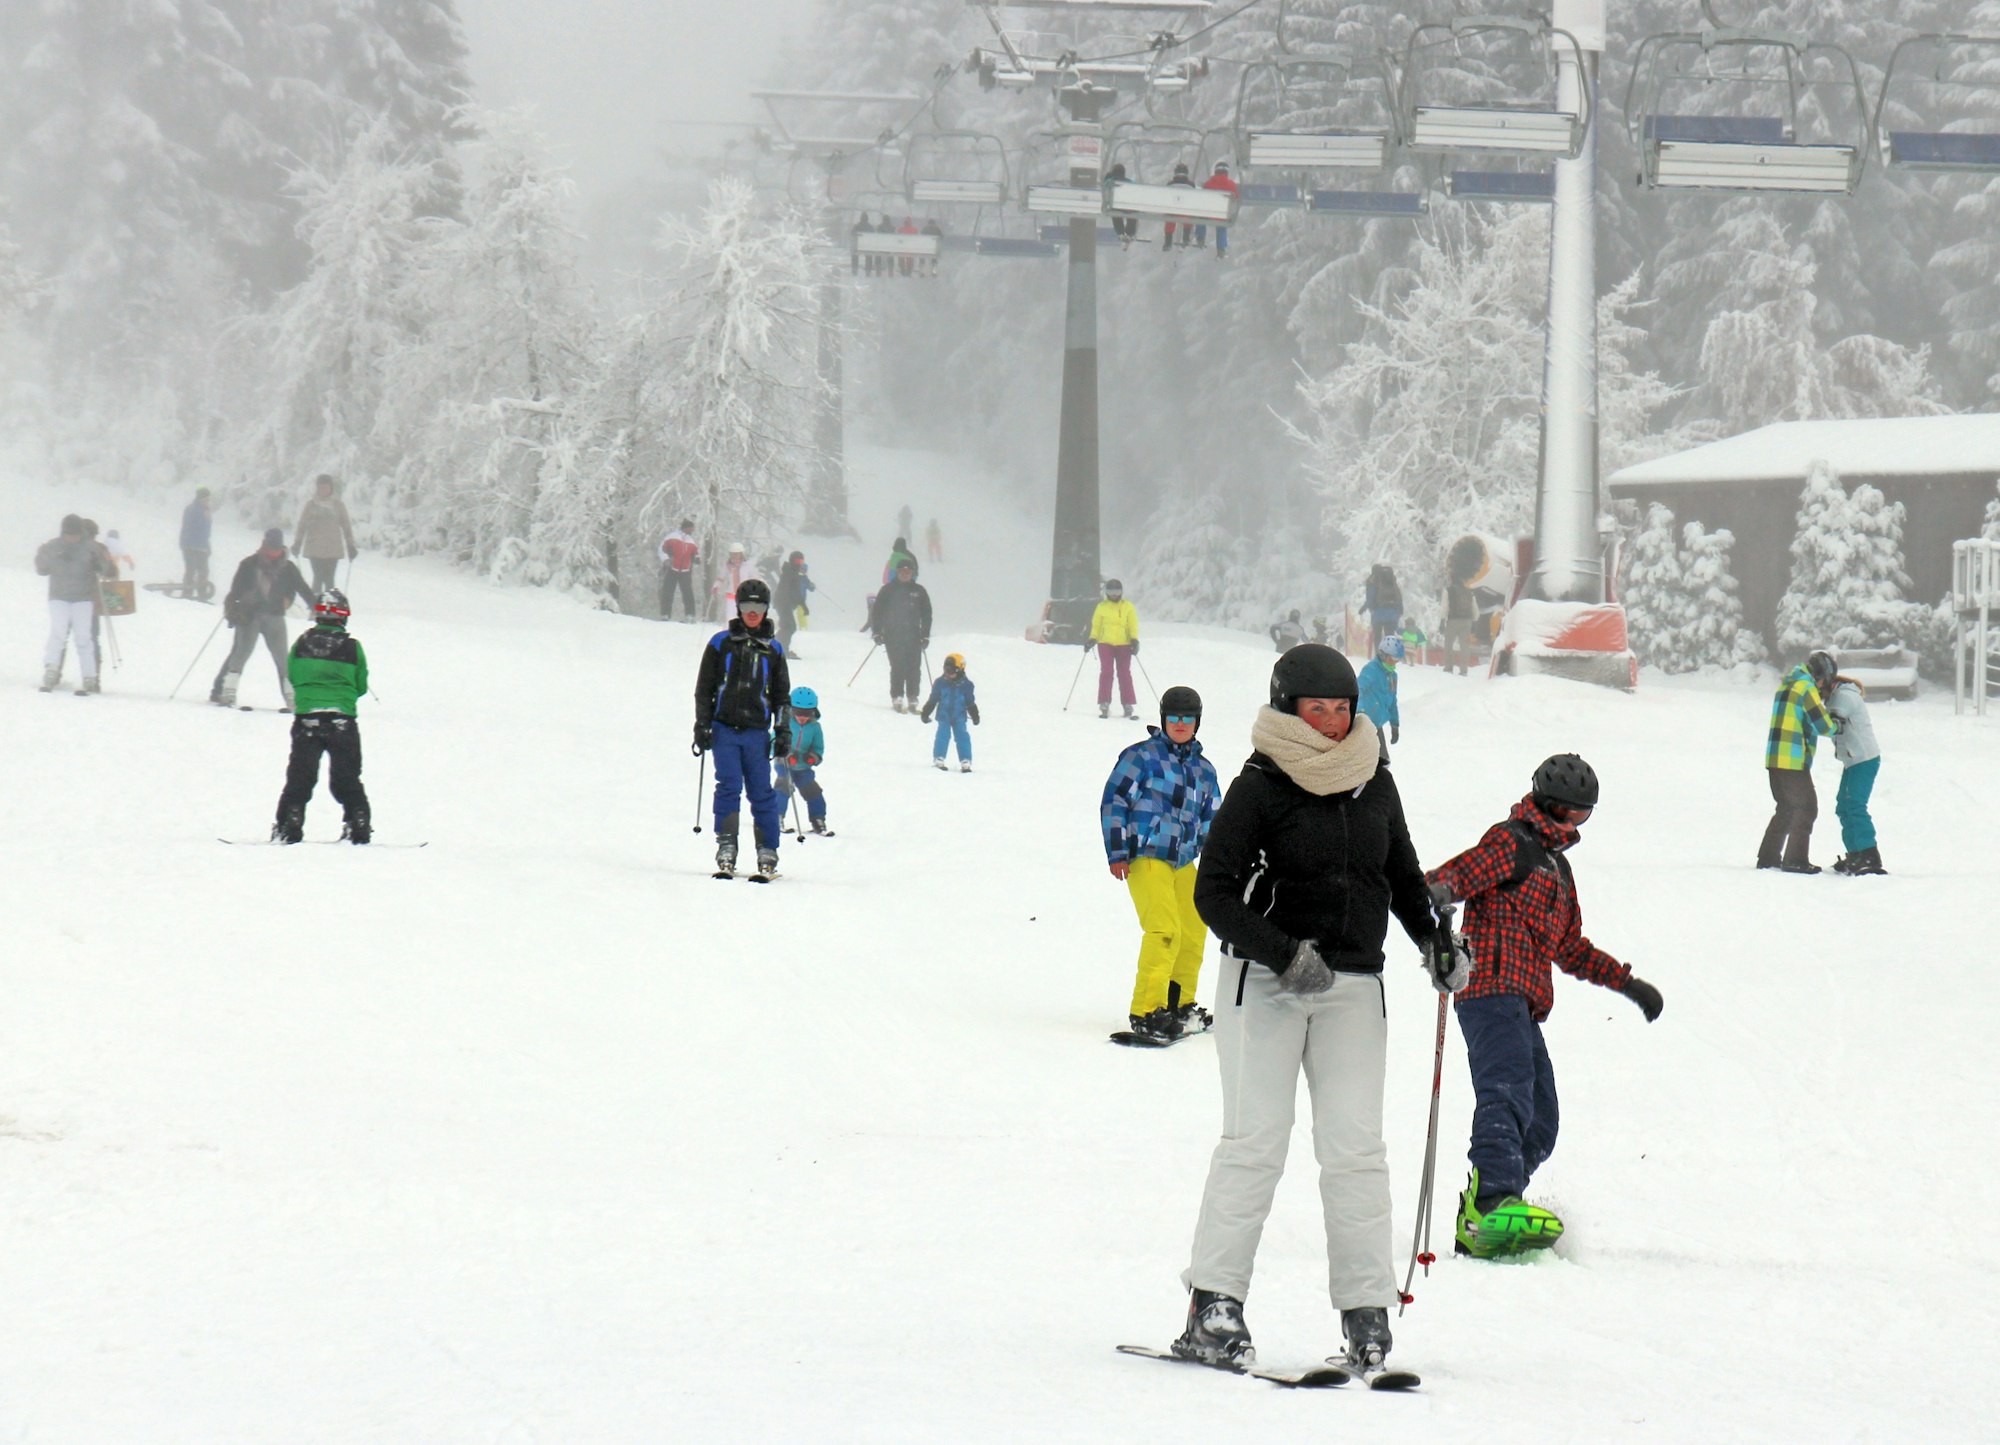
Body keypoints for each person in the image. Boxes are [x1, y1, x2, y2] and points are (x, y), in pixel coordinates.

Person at [1176, 644, 1439, 1372]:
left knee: (1356, 1150)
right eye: (1317, 708)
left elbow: (1403, 875)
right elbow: (1214, 893)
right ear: (1287, 707)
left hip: (1355, 984)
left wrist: (1435, 942)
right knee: (1255, 1141)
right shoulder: (1260, 783)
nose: (1332, 722)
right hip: (1266, 982)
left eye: (1343, 707)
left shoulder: (1374, 779)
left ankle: (1366, 1312)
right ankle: (1213, 1305)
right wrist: (1283, 950)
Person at [1423, 754, 1663, 1259]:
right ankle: (1492, 1203)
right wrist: (1441, 899)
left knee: (1542, 1120)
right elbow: (1454, 875)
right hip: (1488, 987)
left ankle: (1494, 1201)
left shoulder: (1558, 868)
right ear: (1540, 800)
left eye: (1581, 814)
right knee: (1505, 1091)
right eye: (1562, 809)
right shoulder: (1511, 842)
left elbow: (1568, 945)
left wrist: (1627, 983)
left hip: (1524, 1003)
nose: (1568, 821)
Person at [1100, 684, 1221, 1041]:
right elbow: (1114, 800)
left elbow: (1212, 817)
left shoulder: (1204, 769)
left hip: (1183, 859)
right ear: (1164, 719)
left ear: (1197, 723)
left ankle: (1179, 1004)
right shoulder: (1142, 757)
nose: (1180, 724)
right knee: (1164, 929)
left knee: (1194, 928)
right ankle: (1147, 1009)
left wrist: (1216, 863)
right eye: (1174, 718)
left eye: (1187, 719)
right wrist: (1118, 850)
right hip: (1148, 852)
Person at [693, 576, 791, 879]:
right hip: (724, 729)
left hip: (756, 733)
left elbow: (781, 695)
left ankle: (767, 849)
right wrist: (702, 723)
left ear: (765, 609)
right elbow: (704, 687)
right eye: (747, 605)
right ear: (738, 607)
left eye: (758, 606)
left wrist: (784, 729)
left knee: (761, 791)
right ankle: (726, 845)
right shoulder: (721, 643)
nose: (752, 612)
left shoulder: (773, 649)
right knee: (729, 786)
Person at [273, 588, 371, 844]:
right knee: (347, 777)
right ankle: (358, 820)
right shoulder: (352, 647)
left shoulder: (302, 644)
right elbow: (360, 685)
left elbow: (292, 675)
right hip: (342, 720)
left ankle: (289, 822)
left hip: (307, 718)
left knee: (300, 777)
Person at [212, 528, 313, 708]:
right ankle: (226, 691)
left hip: (275, 617)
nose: (273, 553)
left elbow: (303, 589)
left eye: (276, 549)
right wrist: (233, 610)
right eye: (270, 548)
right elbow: (235, 591)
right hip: (249, 617)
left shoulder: (288, 568)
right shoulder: (249, 565)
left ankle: (292, 697)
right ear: (264, 545)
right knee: (241, 653)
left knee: (283, 658)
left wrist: (319, 609)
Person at [1758, 649, 1836, 873]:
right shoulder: (1806, 687)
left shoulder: (1787, 684)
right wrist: (1838, 725)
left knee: (1786, 808)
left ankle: (1768, 857)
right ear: (1821, 675)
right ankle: (1796, 859)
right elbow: (1822, 725)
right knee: (1806, 807)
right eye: (1824, 682)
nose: (1822, 687)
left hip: (1774, 758)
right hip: (1792, 759)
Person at [34, 514, 115, 695]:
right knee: (58, 633)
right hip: (59, 597)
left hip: (83, 598)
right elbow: (41, 569)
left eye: (76, 534)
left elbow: (107, 570)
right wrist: (42, 556)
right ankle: (51, 669)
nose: (72, 538)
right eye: (68, 534)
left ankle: (89, 677)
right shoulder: (53, 546)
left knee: (84, 637)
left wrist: (101, 562)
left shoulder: (91, 548)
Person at [1825, 665, 1885, 876]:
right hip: (1853, 759)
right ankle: (1855, 853)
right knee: (1844, 805)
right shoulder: (1835, 695)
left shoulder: (1845, 695)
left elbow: (1834, 723)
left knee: (1855, 805)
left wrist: (1809, 721)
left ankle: (1869, 855)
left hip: (1864, 758)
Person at [868, 558, 933, 714]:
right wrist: (877, 632)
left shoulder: (919, 591)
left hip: (914, 635)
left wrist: (925, 635)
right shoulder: (887, 590)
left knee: (914, 667)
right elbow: (877, 612)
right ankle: (897, 696)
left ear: (913, 573)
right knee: (898, 666)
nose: (905, 574)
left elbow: (927, 614)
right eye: (902, 571)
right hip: (893, 635)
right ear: (897, 572)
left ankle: (912, 697)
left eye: (908, 571)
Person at [775, 686, 832, 836]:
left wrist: (812, 757)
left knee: (813, 792)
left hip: (804, 767)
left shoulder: (815, 727)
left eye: (807, 713)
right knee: (783, 786)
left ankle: (818, 820)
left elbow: (819, 748)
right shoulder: (784, 723)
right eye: (798, 712)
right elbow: (773, 741)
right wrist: (786, 754)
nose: (802, 717)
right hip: (784, 764)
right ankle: (776, 817)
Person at [293, 474, 357, 593]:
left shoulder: (338, 505)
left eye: (326, 487)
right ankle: (315, 606)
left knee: (329, 580)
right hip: (314, 549)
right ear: (317, 488)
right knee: (318, 578)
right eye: (321, 487)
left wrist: (350, 545)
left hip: (333, 550)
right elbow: (302, 525)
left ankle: (330, 608)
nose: (324, 490)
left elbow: (346, 526)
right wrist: (297, 543)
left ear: (331, 488)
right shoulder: (311, 505)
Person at [1088, 578, 1140, 720]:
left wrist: (1134, 639)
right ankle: (1104, 703)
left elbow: (1132, 625)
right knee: (1107, 671)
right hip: (1105, 643)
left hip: (1124, 644)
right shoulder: (1102, 607)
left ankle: (1128, 704)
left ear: (1121, 592)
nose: (1114, 594)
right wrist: (1092, 638)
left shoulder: (1127, 606)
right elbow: (1096, 625)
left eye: (1117, 591)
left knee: (1124, 673)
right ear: (1106, 593)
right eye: (1111, 591)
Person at [920, 651, 980, 772]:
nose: (949, 674)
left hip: (959, 717)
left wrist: (974, 715)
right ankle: (939, 758)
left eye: (952, 671)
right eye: (946, 671)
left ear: (960, 670)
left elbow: (970, 702)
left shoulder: (966, 685)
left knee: (962, 736)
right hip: (944, 716)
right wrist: (926, 712)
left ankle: (965, 760)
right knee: (943, 735)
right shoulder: (940, 683)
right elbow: (933, 699)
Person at [1357, 638, 1403, 760]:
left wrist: (1395, 724)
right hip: (1365, 724)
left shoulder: (1392, 676)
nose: (1394, 663)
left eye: (1397, 660)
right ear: (1382, 655)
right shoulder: (1371, 670)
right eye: (1391, 659)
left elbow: (1393, 701)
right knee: (1370, 762)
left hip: (1377, 724)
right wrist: (1360, 711)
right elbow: (1358, 689)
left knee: (1383, 761)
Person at [1192, 161, 1239, 257]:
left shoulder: (1208, 184)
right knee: (1221, 227)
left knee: (1201, 217)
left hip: (1209, 214)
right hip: (1222, 215)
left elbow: (1203, 197)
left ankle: (1200, 237)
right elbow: (1236, 197)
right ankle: (1221, 248)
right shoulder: (1231, 185)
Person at [772, 550, 815, 655]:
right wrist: (792, 603)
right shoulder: (788, 572)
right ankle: (781, 649)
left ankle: (777, 647)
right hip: (783, 603)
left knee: (788, 626)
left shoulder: (793, 572)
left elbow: (796, 592)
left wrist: (803, 605)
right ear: (792, 560)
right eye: (797, 561)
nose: (799, 564)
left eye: (801, 561)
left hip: (785, 604)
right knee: (789, 626)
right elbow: (787, 590)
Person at [658, 519, 700, 621]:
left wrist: (697, 558)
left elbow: (695, 552)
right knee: (668, 591)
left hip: (685, 570)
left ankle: (690, 615)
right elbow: (661, 549)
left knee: (687, 593)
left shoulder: (691, 541)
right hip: (671, 568)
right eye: (691, 528)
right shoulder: (672, 537)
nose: (692, 530)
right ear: (686, 527)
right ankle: (665, 614)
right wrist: (666, 560)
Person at [179, 487, 215, 599]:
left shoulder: (206, 511)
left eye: (209, 499)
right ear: (200, 498)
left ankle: (202, 593)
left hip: (202, 546)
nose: (208, 501)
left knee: (203, 571)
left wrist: (207, 546)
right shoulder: (191, 509)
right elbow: (190, 528)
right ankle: (187, 593)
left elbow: (206, 532)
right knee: (191, 570)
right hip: (190, 545)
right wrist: (204, 518)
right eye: (206, 499)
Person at [1441, 571, 1475, 676]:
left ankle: (1448, 667)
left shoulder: (1448, 591)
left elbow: (1444, 607)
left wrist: (1442, 620)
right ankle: (1463, 670)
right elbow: (1475, 609)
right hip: (1467, 621)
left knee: (1448, 644)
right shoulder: (1469, 592)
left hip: (1453, 620)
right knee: (1465, 646)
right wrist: (1473, 620)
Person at [1363, 564, 1402, 653]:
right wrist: (1399, 609)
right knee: (1390, 635)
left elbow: (1370, 597)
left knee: (1377, 635)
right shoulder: (1392, 582)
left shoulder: (1373, 581)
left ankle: (1378, 653)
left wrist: (1365, 607)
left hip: (1378, 613)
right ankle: (1390, 653)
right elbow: (1399, 596)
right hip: (1392, 613)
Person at [1162, 162, 1197, 252]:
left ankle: (1168, 242)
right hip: (1185, 212)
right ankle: (1186, 238)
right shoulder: (1191, 185)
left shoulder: (1170, 184)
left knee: (1170, 219)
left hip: (1172, 212)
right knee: (1188, 219)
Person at [713, 542, 750, 621]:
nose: (735, 556)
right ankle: (729, 631)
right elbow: (721, 577)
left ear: (741, 554)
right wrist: (716, 586)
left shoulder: (747, 566)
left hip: (745, 596)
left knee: (743, 618)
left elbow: (755, 579)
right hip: (731, 595)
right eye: (733, 554)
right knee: (730, 618)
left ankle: (743, 632)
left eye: (737, 554)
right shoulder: (727, 566)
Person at [1103, 162, 1137, 247]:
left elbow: (1105, 189)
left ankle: (1120, 232)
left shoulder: (1110, 181)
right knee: (1132, 215)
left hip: (1116, 206)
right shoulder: (1130, 182)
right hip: (1129, 207)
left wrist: (1108, 177)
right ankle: (1129, 233)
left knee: (1115, 214)